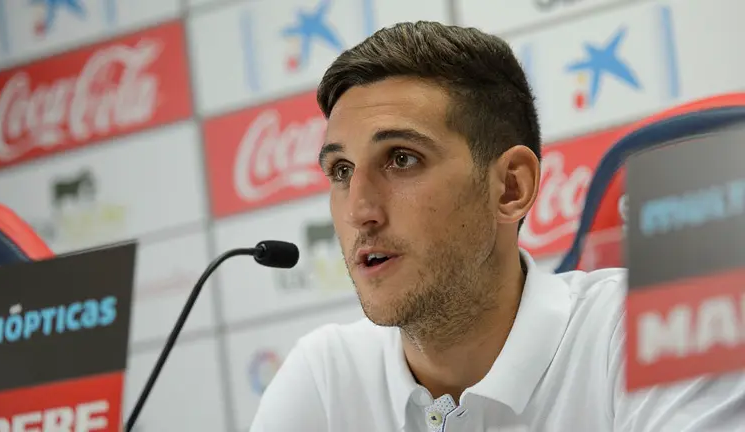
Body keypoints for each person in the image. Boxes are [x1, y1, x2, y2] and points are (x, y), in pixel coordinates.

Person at [249, 21, 745, 431]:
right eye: (341, 171)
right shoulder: (325, 375)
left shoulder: (654, 324)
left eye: (401, 158)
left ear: (510, 187)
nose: (359, 210)